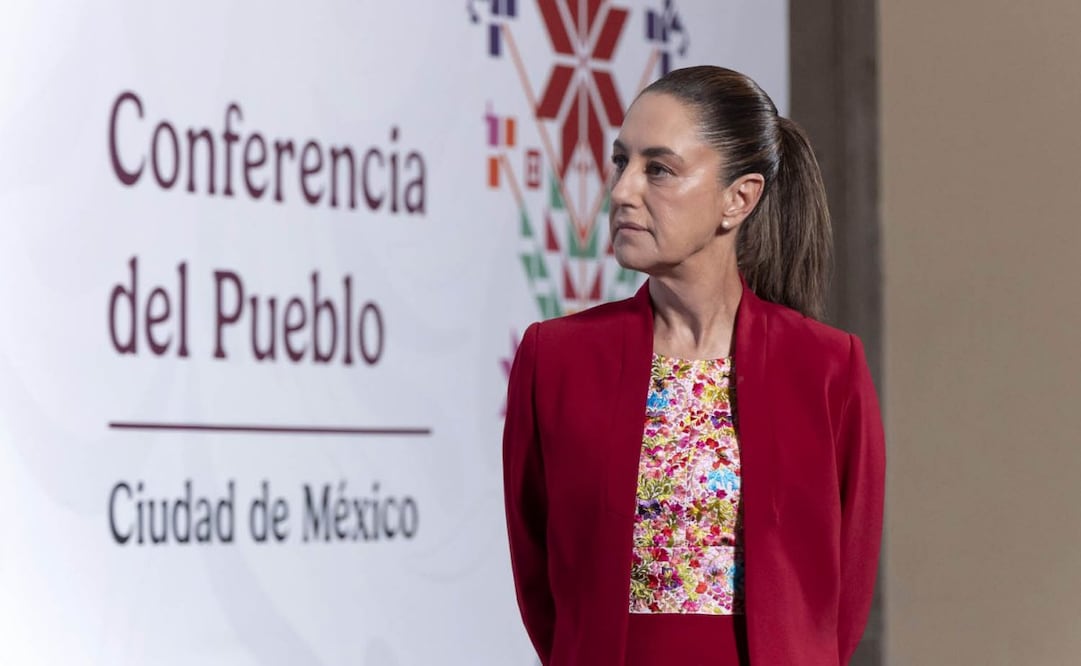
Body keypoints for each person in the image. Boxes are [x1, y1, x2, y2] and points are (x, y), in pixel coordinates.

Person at [502, 65, 885, 666]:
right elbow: (538, 580)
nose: (623, 190)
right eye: (620, 161)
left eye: (659, 168)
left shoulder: (827, 367)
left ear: (740, 198)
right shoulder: (555, 359)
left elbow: (844, 595)